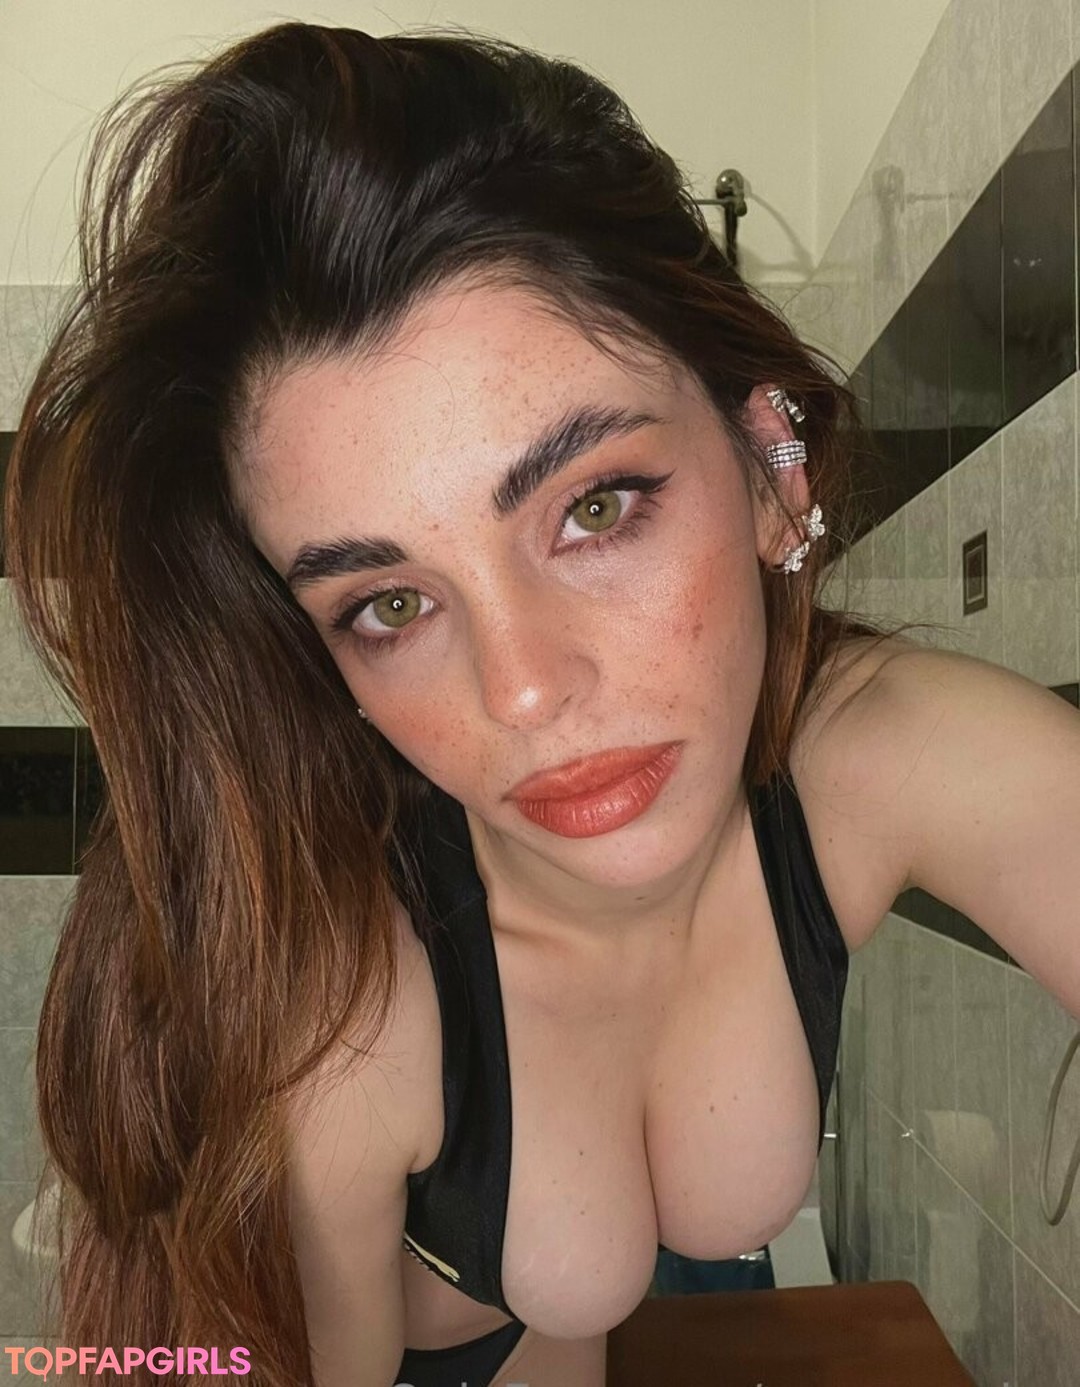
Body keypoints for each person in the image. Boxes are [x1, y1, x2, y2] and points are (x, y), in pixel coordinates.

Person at [4, 20, 1078, 1387]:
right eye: (390, 604)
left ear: (773, 468)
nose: (520, 689)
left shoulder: (877, 754)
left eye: (596, 508)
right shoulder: (345, 1009)